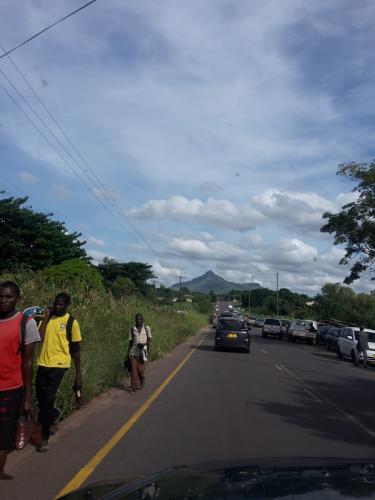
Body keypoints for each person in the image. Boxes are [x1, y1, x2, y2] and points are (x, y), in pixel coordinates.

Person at [0, 281, 40, 480]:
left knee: (4, 433)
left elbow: (28, 362)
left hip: (10, 388)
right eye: (1, 296)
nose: (3, 300)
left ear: (17, 299)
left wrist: (27, 396)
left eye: (9, 297)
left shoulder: (26, 324)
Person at [36, 292, 82, 451]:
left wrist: (78, 375)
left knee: (48, 398)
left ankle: (44, 437)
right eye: (56, 303)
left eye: (61, 304)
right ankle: (54, 414)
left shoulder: (71, 322)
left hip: (60, 364)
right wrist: (46, 317)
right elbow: (40, 338)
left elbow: (75, 350)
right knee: (41, 399)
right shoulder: (47, 318)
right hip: (43, 362)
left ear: (67, 305)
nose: (57, 306)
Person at [126, 313, 151, 394]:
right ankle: (134, 387)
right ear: (135, 320)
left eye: (140, 319)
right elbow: (130, 341)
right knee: (134, 370)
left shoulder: (147, 328)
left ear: (142, 319)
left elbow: (149, 340)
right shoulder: (132, 329)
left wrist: (144, 346)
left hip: (142, 352)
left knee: (140, 370)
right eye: (137, 319)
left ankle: (142, 379)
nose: (138, 320)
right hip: (133, 352)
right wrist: (127, 354)